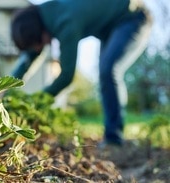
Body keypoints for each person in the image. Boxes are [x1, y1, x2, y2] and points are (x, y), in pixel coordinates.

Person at [10, 0, 152, 147]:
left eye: (39, 44)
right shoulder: (45, 16)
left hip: (132, 16)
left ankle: (114, 138)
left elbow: (66, 76)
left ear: (40, 32)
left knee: (108, 71)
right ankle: (112, 135)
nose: (43, 47)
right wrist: (5, 91)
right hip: (110, 28)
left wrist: (35, 102)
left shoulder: (65, 22)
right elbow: (29, 58)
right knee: (105, 72)